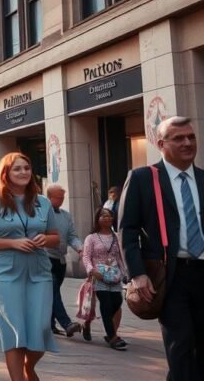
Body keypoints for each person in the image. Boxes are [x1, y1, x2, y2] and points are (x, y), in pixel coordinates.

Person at [118, 116, 204, 380]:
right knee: (180, 345)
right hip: (170, 275)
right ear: (160, 143)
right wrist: (137, 273)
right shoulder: (143, 178)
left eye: (191, 137)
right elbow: (127, 230)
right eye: (179, 138)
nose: (187, 142)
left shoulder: (202, 179)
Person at [0, 152, 59, 381]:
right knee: (14, 330)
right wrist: (12, 242)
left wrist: (45, 240)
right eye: (17, 169)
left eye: (26, 168)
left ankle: (29, 367)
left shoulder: (43, 202)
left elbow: (56, 237)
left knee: (40, 327)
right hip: (4, 272)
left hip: (39, 270)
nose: (23, 172)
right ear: (6, 174)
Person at [81, 207, 128, 350]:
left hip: (114, 276)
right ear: (97, 219)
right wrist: (91, 271)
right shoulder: (91, 238)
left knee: (117, 302)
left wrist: (125, 273)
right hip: (99, 277)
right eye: (103, 216)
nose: (107, 218)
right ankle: (112, 337)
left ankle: (105, 331)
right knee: (106, 305)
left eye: (109, 216)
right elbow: (86, 256)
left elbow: (119, 257)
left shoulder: (116, 236)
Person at [44, 185, 83, 337]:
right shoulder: (41, 214)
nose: (61, 200)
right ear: (49, 197)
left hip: (60, 260)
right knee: (52, 290)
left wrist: (80, 248)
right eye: (58, 197)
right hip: (45, 258)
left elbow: (72, 236)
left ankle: (50, 324)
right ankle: (66, 323)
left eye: (62, 198)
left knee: (53, 293)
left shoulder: (66, 216)